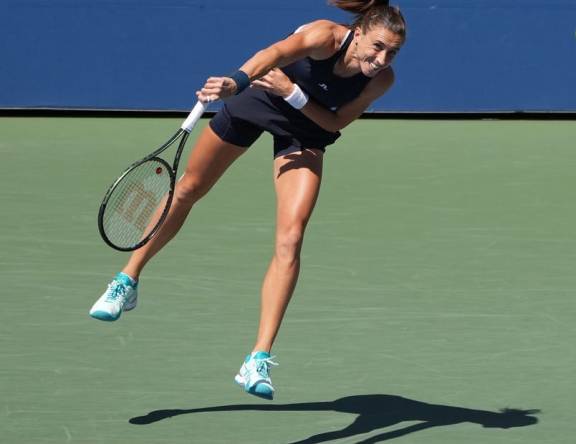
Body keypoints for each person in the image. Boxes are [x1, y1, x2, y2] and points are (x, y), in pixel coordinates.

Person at [89, 0, 406, 400]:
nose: (381, 59)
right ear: (358, 33)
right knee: (188, 188)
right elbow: (272, 55)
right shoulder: (324, 36)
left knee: (291, 238)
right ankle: (127, 279)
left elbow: (336, 121)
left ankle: (257, 358)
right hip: (258, 100)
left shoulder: (381, 80)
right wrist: (235, 83)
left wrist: (293, 94)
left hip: (305, 126)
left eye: (391, 53)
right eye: (377, 47)